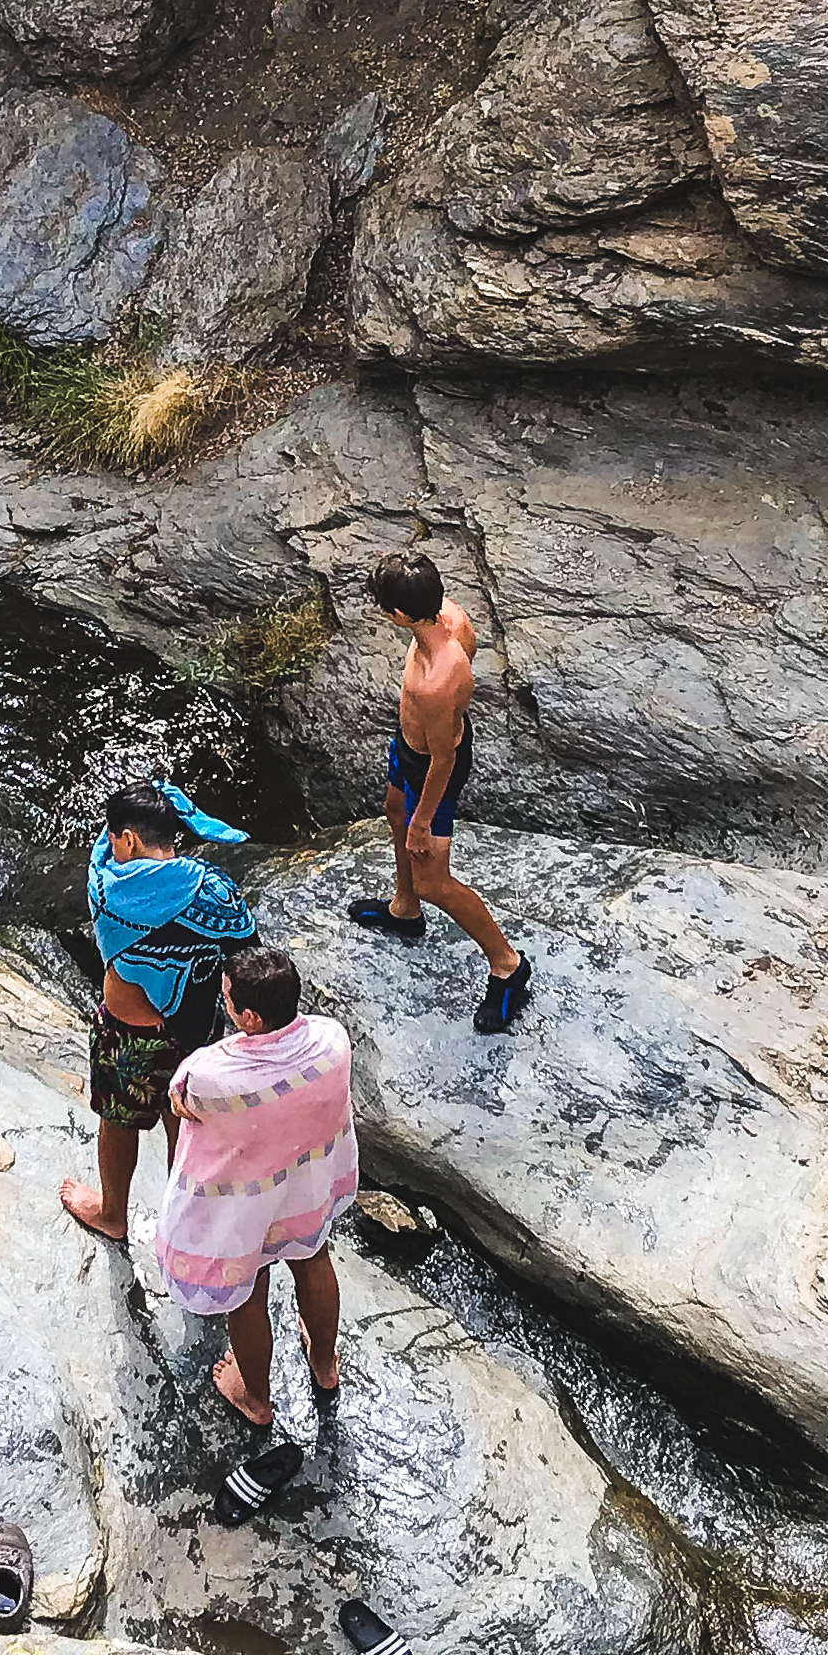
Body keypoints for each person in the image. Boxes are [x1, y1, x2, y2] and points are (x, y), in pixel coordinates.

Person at [158, 943, 355, 1428]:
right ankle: (325, 1366)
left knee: (249, 1293)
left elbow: (181, 1101)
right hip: (307, 1186)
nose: (221, 1001)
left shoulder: (210, 1073)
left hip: (246, 1207)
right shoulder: (332, 1040)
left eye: (225, 998)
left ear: (249, 1017)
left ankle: (255, 1397)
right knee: (313, 1260)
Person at [349, 548, 535, 1034]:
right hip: (410, 749)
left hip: (433, 767)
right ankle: (404, 910)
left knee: (433, 876)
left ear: (400, 615)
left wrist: (423, 822)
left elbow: (445, 757)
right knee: (393, 810)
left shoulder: (437, 681)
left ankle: (508, 965)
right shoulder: (448, 613)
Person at [65, 780, 256, 1247]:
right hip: (196, 1034)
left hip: (129, 1036)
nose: (108, 844)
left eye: (114, 836)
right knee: (185, 1127)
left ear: (128, 839)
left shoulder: (108, 887)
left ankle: (113, 1215)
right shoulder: (211, 888)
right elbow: (246, 953)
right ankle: (185, 1225)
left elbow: (102, 857)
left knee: (116, 1122)